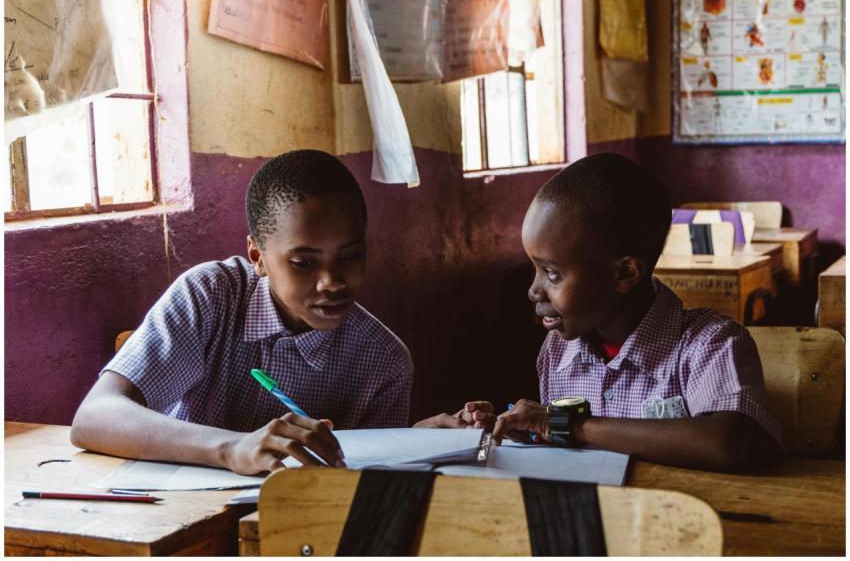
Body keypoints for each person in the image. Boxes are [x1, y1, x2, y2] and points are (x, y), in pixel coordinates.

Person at [71, 149, 413, 475]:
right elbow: (94, 418)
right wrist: (232, 449)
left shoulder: (383, 361)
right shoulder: (211, 298)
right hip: (176, 514)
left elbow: (368, 482)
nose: (331, 282)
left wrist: (418, 439)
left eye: (350, 256)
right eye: (304, 263)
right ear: (257, 257)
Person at [437, 153, 784, 473]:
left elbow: (730, 442)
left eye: (552, 273)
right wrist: (521, 428)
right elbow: (566, 450)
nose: (534, 290)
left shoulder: (710, 342)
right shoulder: (558, 350)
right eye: (535, 269)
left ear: (625, 274)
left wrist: (564, 423)